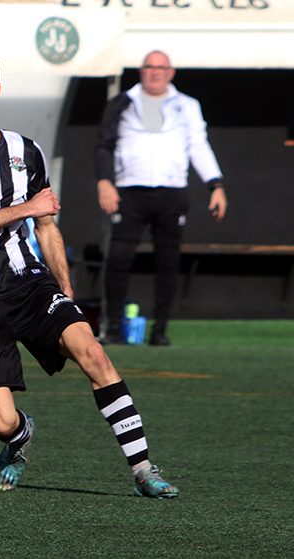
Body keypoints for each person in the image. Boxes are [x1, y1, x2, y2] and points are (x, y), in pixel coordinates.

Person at [0, 46, 178, 498]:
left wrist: (65, 288)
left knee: (93, 353)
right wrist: (25, 206)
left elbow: (46, 227)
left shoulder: (26, 151)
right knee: (0, 422)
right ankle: (19, 439)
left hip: (28, 285)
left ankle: (142, 469)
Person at [95, 50, 227, 346]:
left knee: (168, 260)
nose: (155, 72)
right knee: (118, 257)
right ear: (141, 71)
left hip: (172, 191)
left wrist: (215, 184)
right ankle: (113, 327)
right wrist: (105, 181)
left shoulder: (187, 106)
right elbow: (104, 145)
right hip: (130, 190)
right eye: (149, 67)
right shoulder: (122, 102)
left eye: (161, 67)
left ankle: (160, 329)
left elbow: (198, 145)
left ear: (171, 72)